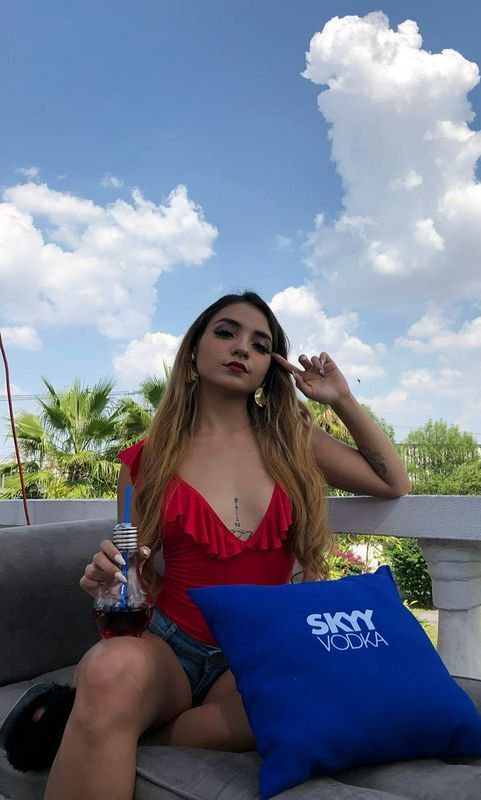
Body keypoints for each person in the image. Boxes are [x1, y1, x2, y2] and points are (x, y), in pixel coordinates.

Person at [1, 291, 411, 800]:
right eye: (226, 332)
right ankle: (108, 716)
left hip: (256, 650)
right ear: (193, 350)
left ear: (270, 367)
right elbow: (132, 567)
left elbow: (392, 481)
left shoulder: (292, 439)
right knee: (109, 669)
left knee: (293, 699)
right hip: (171, 645)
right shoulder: (147, 459)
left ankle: (106, 728)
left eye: (260, 345)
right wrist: (108, 579)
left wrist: (340, 399)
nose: (242, 348)